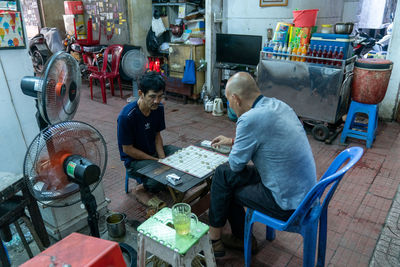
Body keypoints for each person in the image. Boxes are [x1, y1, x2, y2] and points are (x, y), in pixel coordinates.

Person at [209, 72, 317, 257]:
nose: (231, 106)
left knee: (225, 181)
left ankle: (227, 240)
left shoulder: (249, 119)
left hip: (287, 204)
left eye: (229, 101)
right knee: (224, 176)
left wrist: (237, 148)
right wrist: (233, 141)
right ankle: (220, 238)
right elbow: (268, 138)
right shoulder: (278, 105)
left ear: (235, 99)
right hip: (305, 192)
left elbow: (235, 165)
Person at [117, 71, 178, 207]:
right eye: (152, 97)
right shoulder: (127, 117)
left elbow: (157, 136)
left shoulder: (158, 108)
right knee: (157, 180)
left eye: (160, 96)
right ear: (141, 94)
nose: (157, 101)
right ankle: (141, 189)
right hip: (134, 161)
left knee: (181, 155)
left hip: (154, 152)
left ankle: (163, 180)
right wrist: (156, 160)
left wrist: (163, 158)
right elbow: (127, 149)